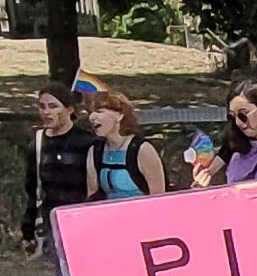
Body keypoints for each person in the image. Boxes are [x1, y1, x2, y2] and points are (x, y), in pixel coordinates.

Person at [24, 83, 102, 245]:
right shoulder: (38, 142)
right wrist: (28, 227)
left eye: (53, 107)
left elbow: (96, 188)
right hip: (51, 220)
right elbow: (32, 188)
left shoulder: (88, 142)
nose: (46, 112)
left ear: (70, 109)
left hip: (82, 220)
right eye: (42, 107)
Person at [85, 89, 166, 199]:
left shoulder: (142, 149)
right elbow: (92, 195)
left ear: (120, 115)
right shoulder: (95, 151)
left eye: (99, 112)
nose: (91, 117)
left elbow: (158, 197)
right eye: (90, 112)